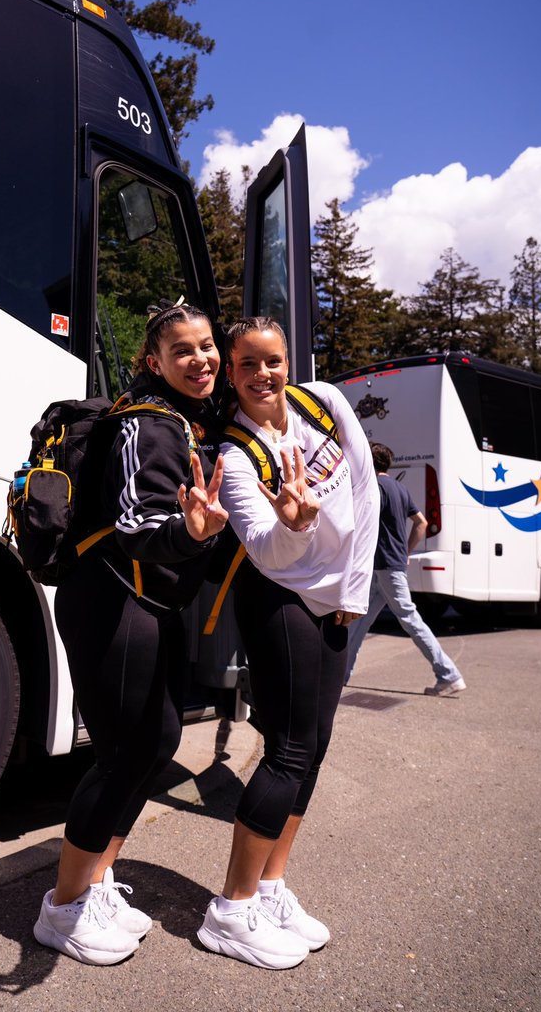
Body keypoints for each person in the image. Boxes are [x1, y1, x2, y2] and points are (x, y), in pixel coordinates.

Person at [34, 304, 228, 966]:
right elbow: (138, 526)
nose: (201, 359)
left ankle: (95, 881)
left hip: (145, 603)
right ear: (154, 363)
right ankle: (61, 909)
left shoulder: (180, 422)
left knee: (160, 741)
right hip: (110, 602)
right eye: (183, 351)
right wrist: (193, 532)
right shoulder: (147, 425)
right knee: (120, 755)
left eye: (207, 346)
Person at [197, 316, 379, 970]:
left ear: (288, 358)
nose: (263, 375)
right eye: (247, 365)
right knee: (289, 748)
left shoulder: (323, 401)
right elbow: (267, 550)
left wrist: (353, 594)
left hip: (339, 600)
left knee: (318, 743)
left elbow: (365, 488)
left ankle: (270, 886)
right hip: (279, 597)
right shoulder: (235, 455)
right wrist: (296, 525)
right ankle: (232, 910)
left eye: (272, 360)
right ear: (233, 372)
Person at [344, 442, 466, 696]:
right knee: (359, 622)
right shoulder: (399, 487)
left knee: (410, 620)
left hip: (384, 566)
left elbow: (360, 522)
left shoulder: (375, 487)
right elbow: (421, 523)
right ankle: (341, 675)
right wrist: (406, 552)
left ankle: (448, 674)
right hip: (387, 567)